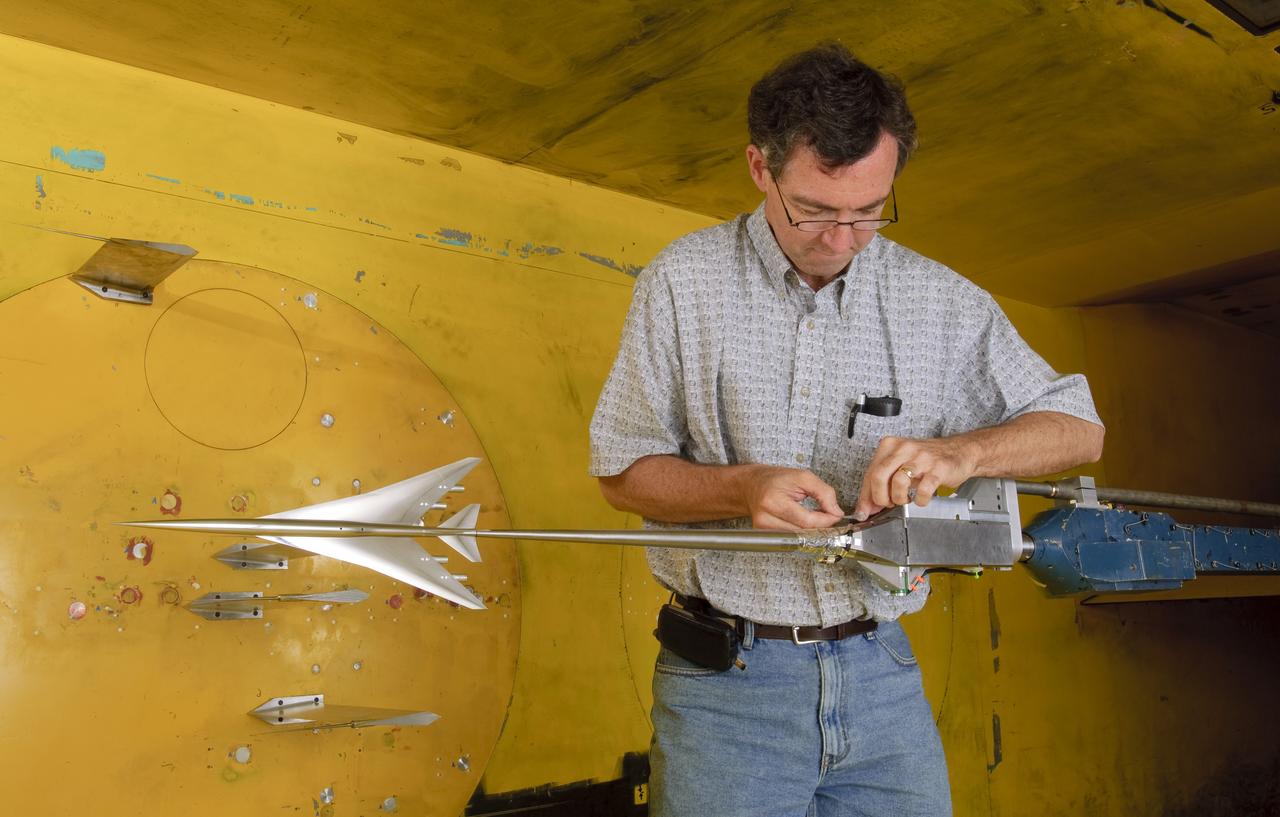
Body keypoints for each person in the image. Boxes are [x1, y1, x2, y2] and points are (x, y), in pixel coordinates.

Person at [588, 43, 1104, 817]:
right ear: (761, 168)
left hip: (882, 673)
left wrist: (962, 450)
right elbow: (621, 473)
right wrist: (744, 485)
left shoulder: (938, 300)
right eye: (817, 210)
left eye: (868, 211)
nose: (842, 237)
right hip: (727, 688)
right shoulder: (682, 281)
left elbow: (1079, 428)